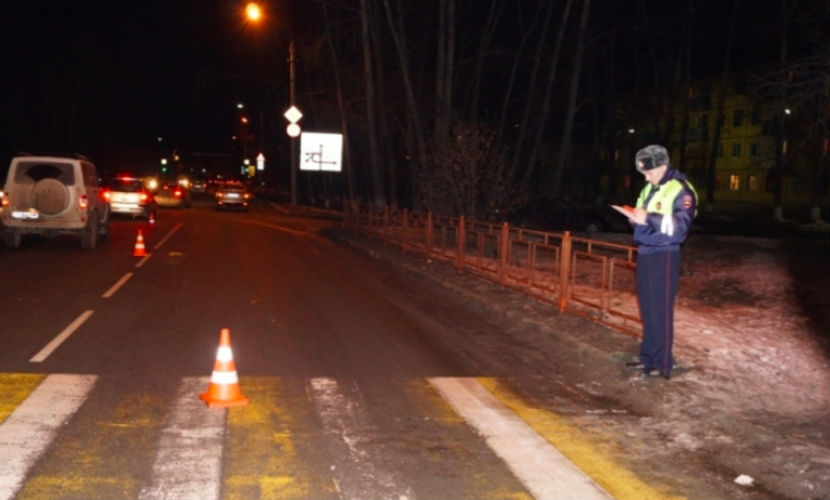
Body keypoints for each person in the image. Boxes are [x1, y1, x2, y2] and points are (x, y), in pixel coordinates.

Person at [625, 144, 697, 379]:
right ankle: (647, 358)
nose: (646, 177)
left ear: (663, 166)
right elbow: (639, 221)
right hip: (646, 253)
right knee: (647, 309)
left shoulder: (681, 191)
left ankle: (663, 363)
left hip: (664, 255)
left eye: (649, 172)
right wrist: (637, 219)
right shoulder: (650, 188)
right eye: (644, 174)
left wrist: (648, 219)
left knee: (660, 312)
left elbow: (678, 230)